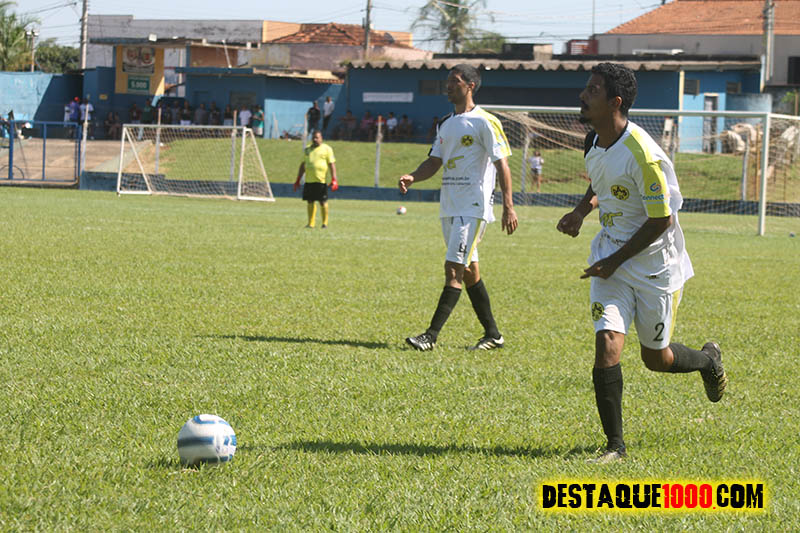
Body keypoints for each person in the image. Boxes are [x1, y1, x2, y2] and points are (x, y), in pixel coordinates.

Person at [556, 63, 728, 464]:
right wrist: (581, 211)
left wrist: (614, 261)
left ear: (614, 102)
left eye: (592, 90)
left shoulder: (645, 155)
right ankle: (615, 446)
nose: (582, 95)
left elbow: (661, 219)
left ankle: (708, 360)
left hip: (654, 267)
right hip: (610, 259)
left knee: (657, 359)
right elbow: (600, 181)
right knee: (607, 344)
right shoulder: (593, 141)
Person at [398, 64, 518, 351]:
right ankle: (493, 334)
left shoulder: (485, 121)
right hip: (450, 206)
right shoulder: (445, 123)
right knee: (469, 271)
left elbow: (502, 164)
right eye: (448, 81)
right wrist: (413, 176)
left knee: (453, 270)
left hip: (473, 207)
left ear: (470, 86)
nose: (448, 86)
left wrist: (508, 206)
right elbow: (434, 161)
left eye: (455, 81)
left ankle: (430, 336)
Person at [294, 130, 338, 229]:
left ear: (321, 138)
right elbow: (303, 165)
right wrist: (298, 180)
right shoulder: (307, 150)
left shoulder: (327, 149)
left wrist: (334, 179)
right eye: (313, 137)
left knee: (322, 201)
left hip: (321, 181)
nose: (315, 139)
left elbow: (332, 164)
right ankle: (311, 223)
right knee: (310, 201)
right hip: (309, 181)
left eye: (317, 137)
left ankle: (324, 223)